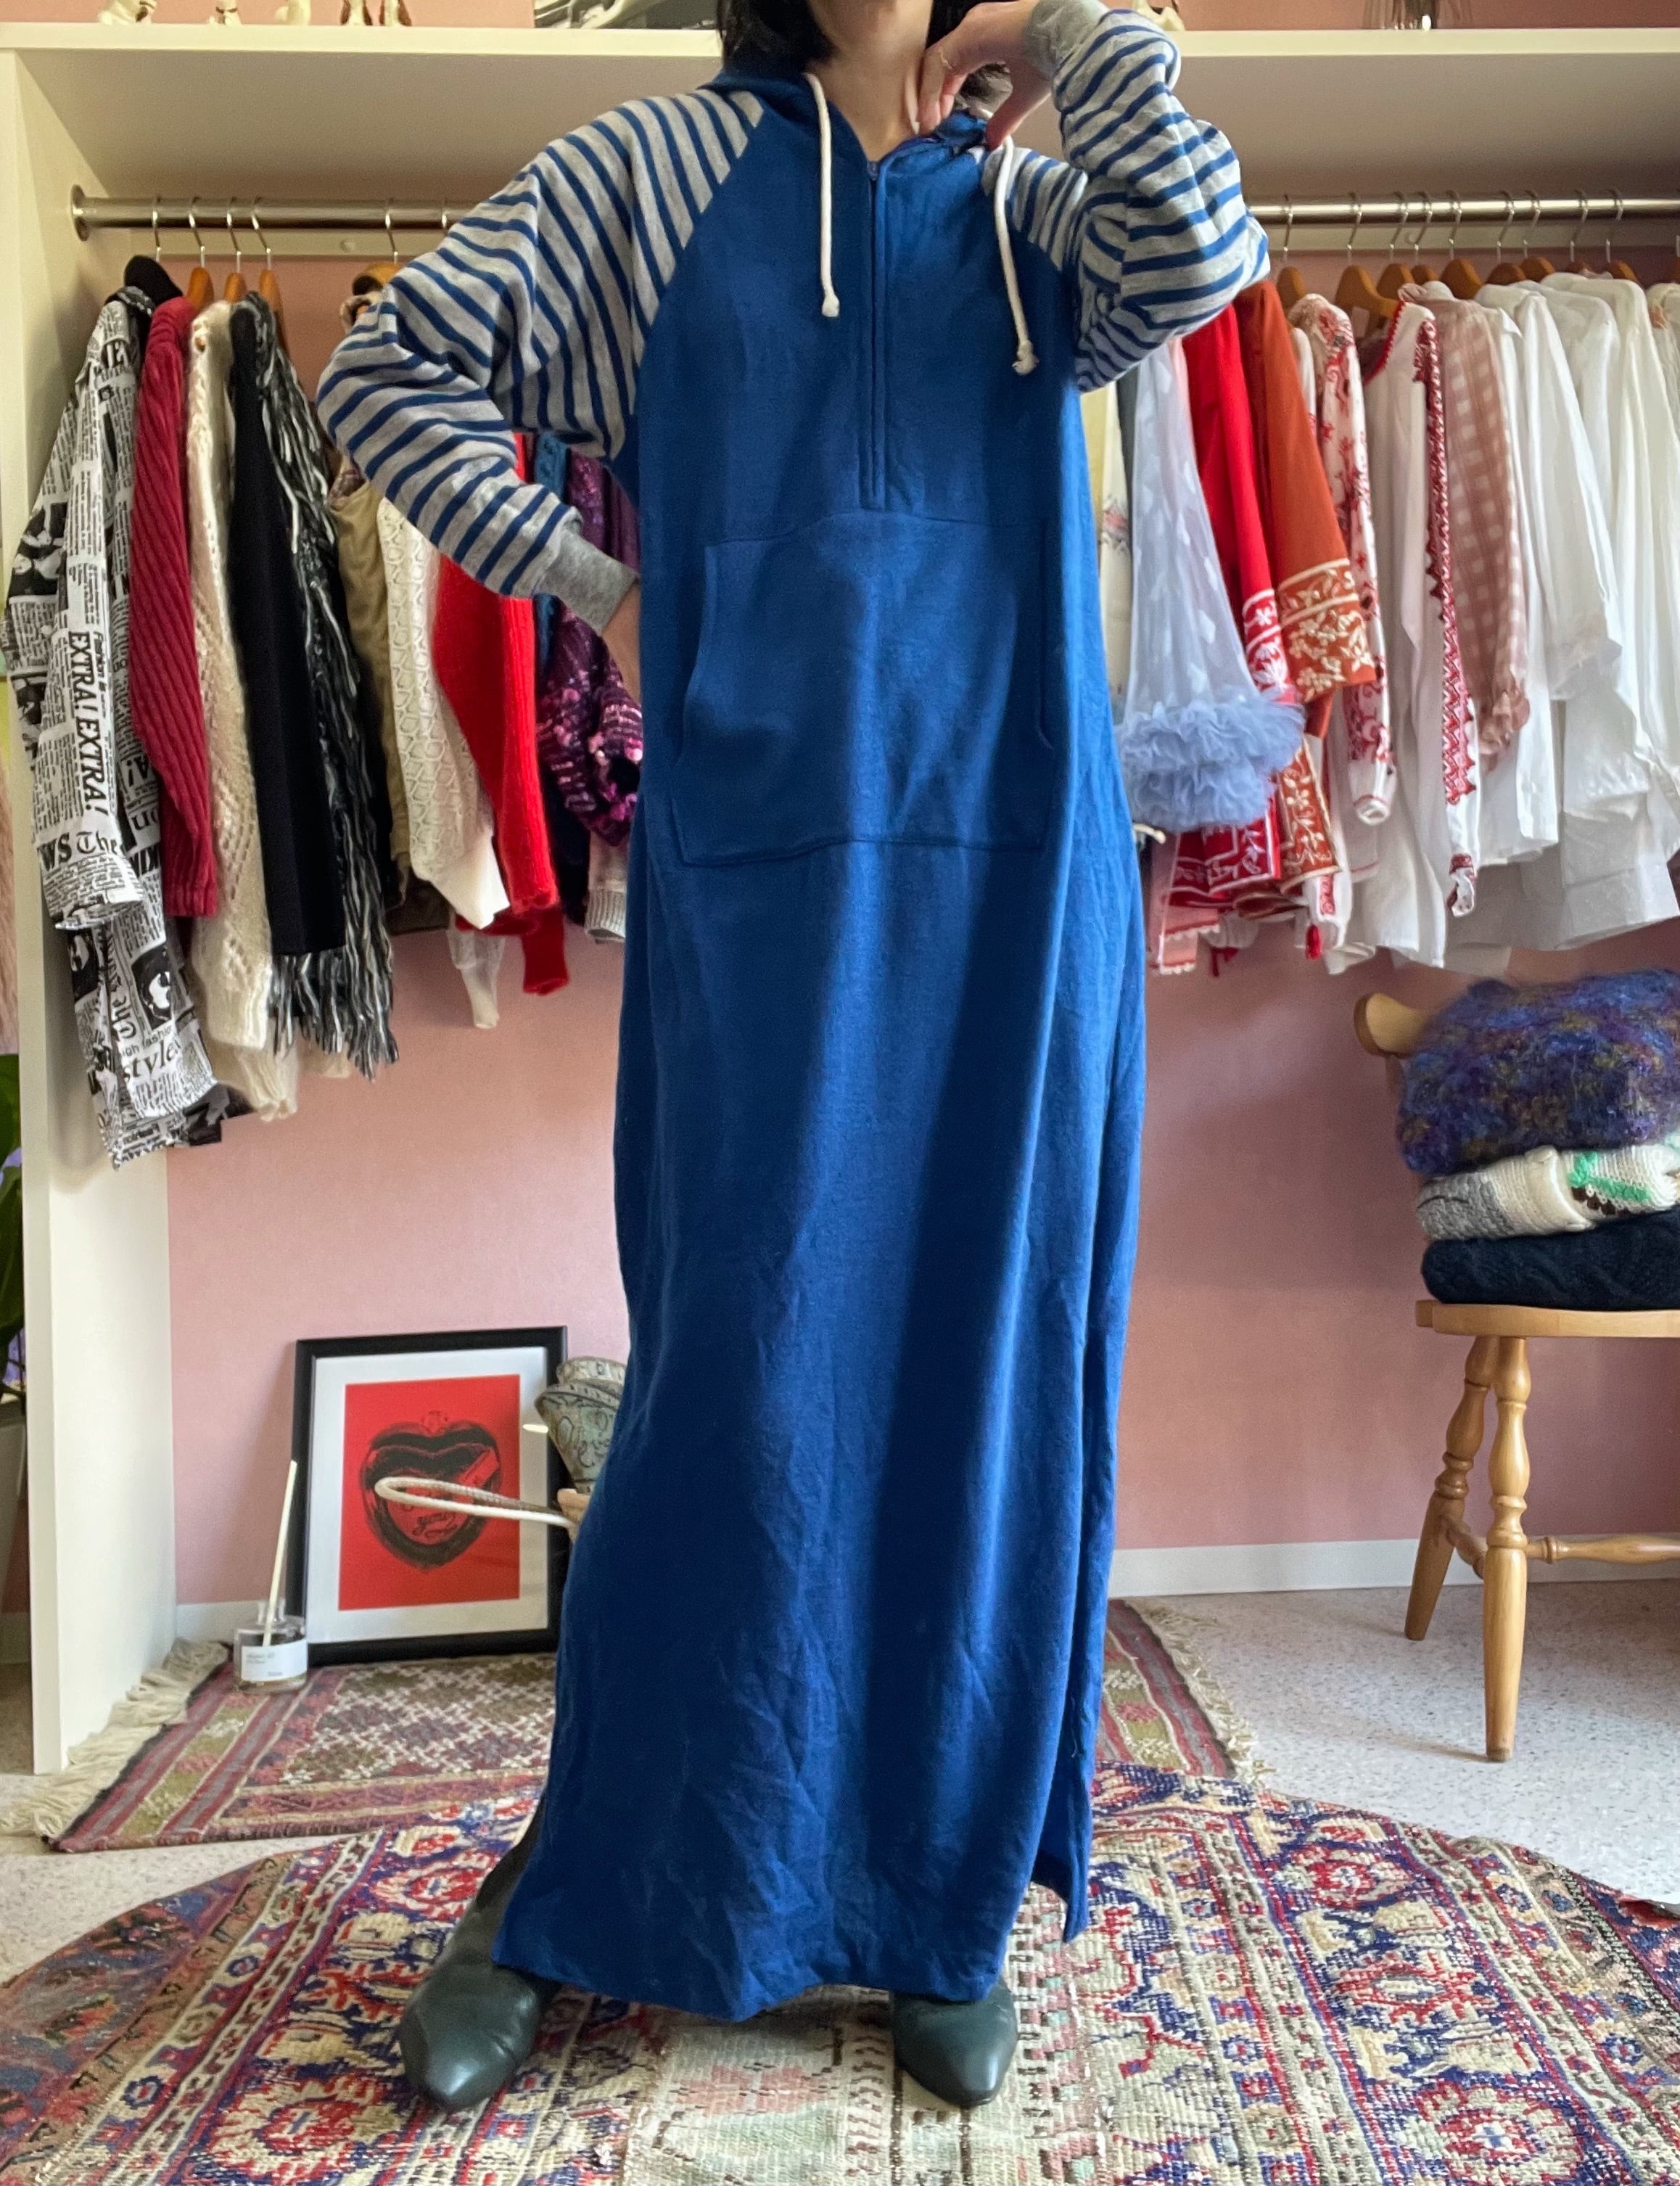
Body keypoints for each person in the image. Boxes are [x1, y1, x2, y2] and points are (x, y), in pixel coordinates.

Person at [318, 0, 1262, 2113]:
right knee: (736, 1378)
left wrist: (1072, 27)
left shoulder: (1034, 211)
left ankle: (934, 1905)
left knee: (987, 1366)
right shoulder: (653, 175)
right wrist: (595, 588)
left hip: (1018, 863)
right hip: (765, 861)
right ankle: (585, 1882)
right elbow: (386, 377)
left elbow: (1201, 255)